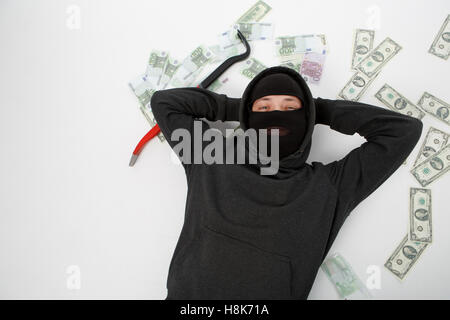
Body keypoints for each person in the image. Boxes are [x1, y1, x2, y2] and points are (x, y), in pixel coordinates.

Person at [150, 65, 423, 300]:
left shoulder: (331, 187)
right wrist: (235, 108)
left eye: (290, 108)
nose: (276, 116)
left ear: (307, 120)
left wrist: (320, 111)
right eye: (264, 108)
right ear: (248, 117)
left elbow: (403, 131)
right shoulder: (210, 158)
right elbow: (165, 103)